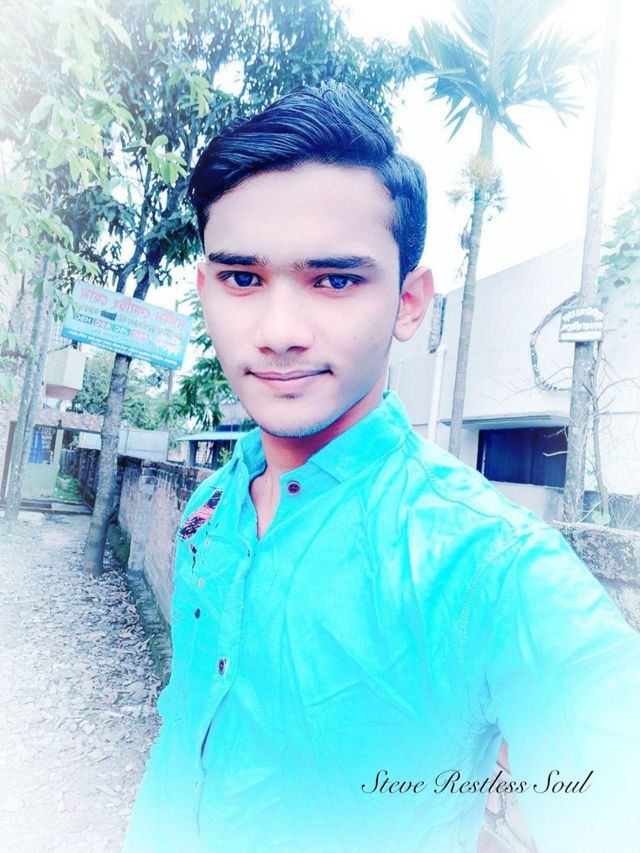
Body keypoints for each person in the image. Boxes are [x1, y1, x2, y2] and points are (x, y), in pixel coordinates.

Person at [122, 84, 640, 853]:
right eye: (243, 278)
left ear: (408, 302)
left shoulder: (492, 566)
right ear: (206, 292)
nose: (280, 331)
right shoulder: (208, 509)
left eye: (335, 280)